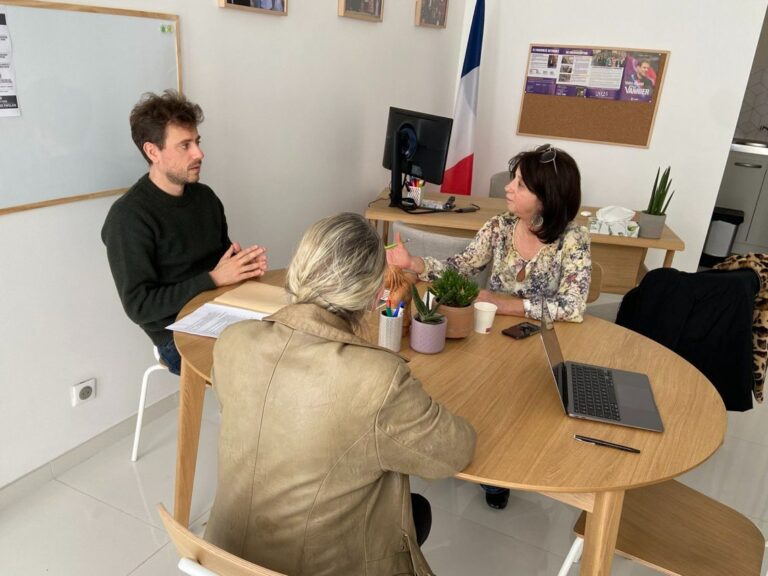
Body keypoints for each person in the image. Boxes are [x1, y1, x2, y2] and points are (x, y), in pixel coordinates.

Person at [205, 212, 476, 576]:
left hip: (222, 557)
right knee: (415, 507)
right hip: (316, 566)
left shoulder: (232, 342)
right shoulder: (379, 377)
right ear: (372, 294)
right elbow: (454, 452)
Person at [387, 144, 591, 510]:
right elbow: (460, 266)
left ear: (547, 198)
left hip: (538, 343)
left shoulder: (573, 241)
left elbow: (573, 306)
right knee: (474, 392)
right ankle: (475, 458)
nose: (508, 189)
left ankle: (504, 469)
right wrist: (414, 263)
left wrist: (505, 304)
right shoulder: (500, 226)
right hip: (489, 336)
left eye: (520, 185)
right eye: (513, 180)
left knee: (519, 405)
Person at [101, 90, 267, 375]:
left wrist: (242, 268)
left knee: (296, 337)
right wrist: (213, 278)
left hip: (222, 309)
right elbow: (139, 306)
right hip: (174, 335)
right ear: (153, 151)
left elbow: (221, 261)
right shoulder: (128, 217)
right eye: (185, 145)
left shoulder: (205, 198)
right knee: (264, 368)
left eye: (197, 142)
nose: (199, 153)